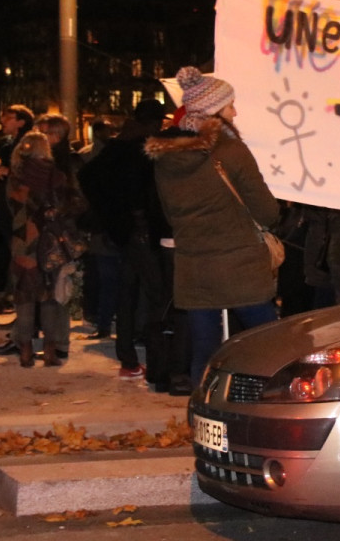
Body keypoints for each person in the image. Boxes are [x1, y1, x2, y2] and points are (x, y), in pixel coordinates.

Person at [144, 66, 280, 385]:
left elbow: (167, 212)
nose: (235, 111)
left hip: (194, 266)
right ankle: (264, 411)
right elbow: (266, 210)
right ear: (216, 110)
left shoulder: (165, 159)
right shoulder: (231, 150)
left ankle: (205, 416)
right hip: (240, 266)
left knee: (204, 350)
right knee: (269, 343)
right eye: (230, 105)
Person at [78, 99, 168, 381]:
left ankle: (128, 358)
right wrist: (135, 215)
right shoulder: (142, 148)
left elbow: (87, 175)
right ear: (153, 122)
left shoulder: (117, 146)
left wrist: (111, 216)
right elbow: (140, 189)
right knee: (157, 294)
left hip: (123, 231)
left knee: (127, 294)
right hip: (141, 231)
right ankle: (156, 362)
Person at [6, 131, 82, 367]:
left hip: (23, 241)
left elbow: (8, 211)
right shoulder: (57, 176)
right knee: (49, 296)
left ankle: (26, 349)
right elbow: (72, 205)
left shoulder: (16, 178)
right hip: (50, 243)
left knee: (25, 296)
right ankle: (50, 350)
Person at [0, 104, 35, 315]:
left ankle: (2, 295)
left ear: (21, 121)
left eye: (9, 117)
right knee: (2, 248)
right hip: (5, 204)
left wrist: (9, 172)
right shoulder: (7, 144)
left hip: (14, 207)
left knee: (6, 248)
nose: (4, 121)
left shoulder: (26, 145)